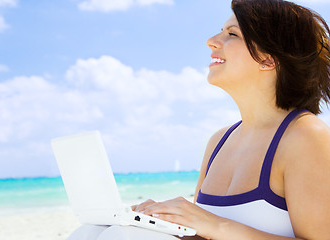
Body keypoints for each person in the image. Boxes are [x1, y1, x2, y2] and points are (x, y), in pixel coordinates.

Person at [133, 0, 330, 239]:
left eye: (232, 34)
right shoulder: (219, 141)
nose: (212, 41)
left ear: (268, 59)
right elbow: (205, 233)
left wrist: (218, 225)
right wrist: (164, 219)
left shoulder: (306, 136)